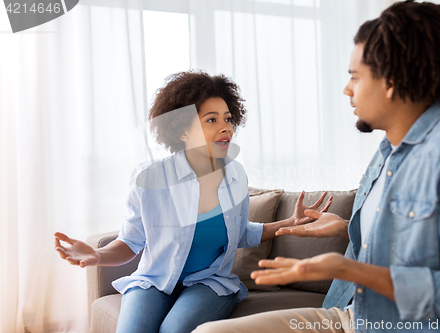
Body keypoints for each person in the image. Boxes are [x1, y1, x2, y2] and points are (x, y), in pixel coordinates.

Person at [193, 2, 440, 333]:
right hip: (352, 316)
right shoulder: (386, 153)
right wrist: (345, 226)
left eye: (355, 77)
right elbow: (407, 236)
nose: (346, 89)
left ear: (391, 81)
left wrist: (351, 269)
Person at [54, 71, 332, 333]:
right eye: (211, 120)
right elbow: (131, 242)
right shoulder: (149, 177)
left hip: (210, 283)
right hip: (154, 279)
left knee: (174, 330)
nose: (225, 128)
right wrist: (98, 255)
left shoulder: (235, 175)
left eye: (227, 119)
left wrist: (288, 223)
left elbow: (239, 232)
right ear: (182, 131)